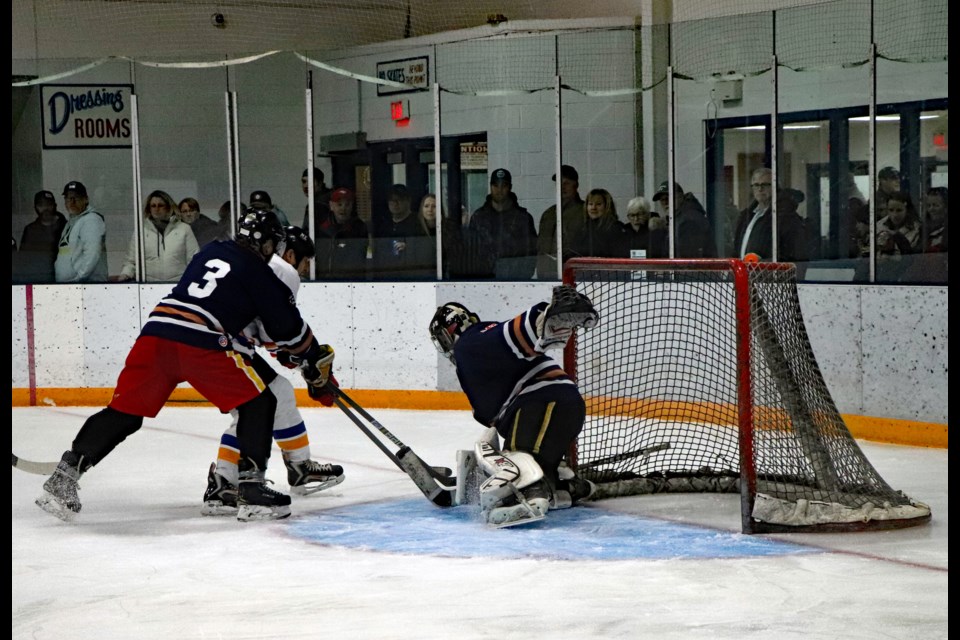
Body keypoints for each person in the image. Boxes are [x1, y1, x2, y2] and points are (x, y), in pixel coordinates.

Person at [35, 209, 337, 523]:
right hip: (200, 341)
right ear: (265, 244)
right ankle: (251, 490)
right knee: (259, 402)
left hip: (157, 332)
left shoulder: (211, 251)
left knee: (124, 414)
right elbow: (286, 327)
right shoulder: (258, 270)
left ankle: (64, 476)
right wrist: (313, 355)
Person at [202, 224, 344, 515]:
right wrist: (307, 359)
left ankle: (298, 467)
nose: (303, 271)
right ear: (290, 253)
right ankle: (224, 481)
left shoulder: (260, 264)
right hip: (221, 346)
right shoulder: (284, 270)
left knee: (278, 394)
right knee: (256, 407)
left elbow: (266, 330)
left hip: (211, 342)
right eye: (305, 263)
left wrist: (299, 359)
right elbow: (276, 329)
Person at [428, 285, 599, 527]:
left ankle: (529, 498)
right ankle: (560, 487)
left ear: (452, 331)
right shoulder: (479, 361)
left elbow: (504, 337)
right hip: (559, 406)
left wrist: (544, 319)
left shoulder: (470, 341)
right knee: (535, 465)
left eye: (444, 339)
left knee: (513, 461)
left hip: (541, 405)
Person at [468, 168, 538, 279]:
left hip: (516, 281)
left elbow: (531, 252)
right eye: (495, 185)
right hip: (483, 282)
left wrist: (522, 278)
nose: (499, 190)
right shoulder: (478, 217)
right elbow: (471, 252)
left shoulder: (523, 218)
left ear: (510, 187)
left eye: (503, 186)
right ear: (490, 187)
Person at [114, 190, 199, 282]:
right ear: (149, 209)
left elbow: (194, 259)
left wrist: (192, 280)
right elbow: (131, 261)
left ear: (168, 207)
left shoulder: (184, 229)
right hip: (147, 285)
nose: (156, 209)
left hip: (178, 284)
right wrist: (125, 274)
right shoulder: (141, 231)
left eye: (160, 205)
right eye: (153, 206)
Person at [732, 168, 809, 262]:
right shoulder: (747, 216)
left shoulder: (786, 217)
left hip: (772, 274)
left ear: (776, 187)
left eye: (765, 185)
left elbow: (795, 255)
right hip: (745, 274)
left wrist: (764, 263)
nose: (760, 189)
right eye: (756, 185)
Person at [536, 164, 586, 279]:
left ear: (576, 185)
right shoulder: (548, 214)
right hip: (546, 277)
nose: (562, 187)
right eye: (559, 184)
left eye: (567, 183)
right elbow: (540, 248)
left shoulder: (584, 212)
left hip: (573, 277)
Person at [54, 181, 109, 283]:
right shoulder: (72, 221)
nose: (72, 202)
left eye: (76, 198)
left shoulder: (91, 220)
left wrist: (79, 279)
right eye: (68, 198)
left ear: (86, 199)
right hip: (71, 287)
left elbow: (92, 253)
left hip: (86, 287)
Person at [649, 180, 716, 258]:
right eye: (662, 200)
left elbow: (687, 257)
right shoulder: (680, 218)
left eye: (668, 198)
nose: (665, 203)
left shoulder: (689, 220)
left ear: (680, 197)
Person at [314, 187, 369, 280]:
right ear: (331, 205)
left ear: (352, 206)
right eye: (339, 204)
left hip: (353, 281)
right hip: (325, 282)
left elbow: (359, 258)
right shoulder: (322, 229)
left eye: (347, 204)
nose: (343, 208)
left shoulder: (359, 228)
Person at [371, 184, 424, 279]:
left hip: (411, 276)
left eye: (399, 199)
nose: (395, 203)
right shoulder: (383, 225)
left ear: (408, 201)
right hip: (386, 275)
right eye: (392, 200)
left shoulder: (419, 223)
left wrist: (409, 247)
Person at [17, 190, 67, 283]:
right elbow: (23, 260)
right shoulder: (30, 230)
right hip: (36, 281)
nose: (45, 208)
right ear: (35, 207)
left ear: (55, 205)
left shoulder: (66, 227)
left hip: (64, 280)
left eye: (49, 204)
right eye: (41, 205)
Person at [565, 188, 626, 260]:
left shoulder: (617, 229)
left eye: (598, 204)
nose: (593, 208)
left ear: (607, 206)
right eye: (590, 204)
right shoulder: (582, 229)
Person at [877, 191, 920, 257]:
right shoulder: (879, 226)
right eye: (891, 210)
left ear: (907, 210)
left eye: (899, 210)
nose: (895, 215)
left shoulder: (917, 229)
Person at [300, 167, 333, 233]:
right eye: (304, 181)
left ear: (320, 183)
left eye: (310, 181)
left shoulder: (318, 204)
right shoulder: (330, 198)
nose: (306, 185)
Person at [923, 186, 947, 253]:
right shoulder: (922, 229)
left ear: (946, 207)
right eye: (928, 205)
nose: (931, 209)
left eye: (936, 205)